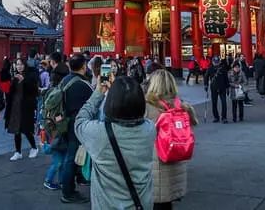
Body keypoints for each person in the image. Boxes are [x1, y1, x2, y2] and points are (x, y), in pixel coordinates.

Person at [75, 74, 155, 209]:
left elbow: (79, 122)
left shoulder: (98, 133)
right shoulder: (149, 128)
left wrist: (99, 92)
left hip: (107, 205)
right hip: (141, 204)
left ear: (111, 103)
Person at [145, 70, 197, 209]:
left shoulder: (148, 107)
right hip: (177, 159)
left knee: (156, 203)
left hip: (156, 165)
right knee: (167, 203)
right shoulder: (181, 105)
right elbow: (193, 123)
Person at [59, 54, 94, 204]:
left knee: (69, 156)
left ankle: (68, 184)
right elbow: (93, 104)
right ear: (84, 66)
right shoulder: (82, 84)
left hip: (65, 122)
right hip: (76, 125)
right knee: (71, 158)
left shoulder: (65, 80)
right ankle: (68, 191)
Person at [7, 57, 40, 161]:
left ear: (25, 65)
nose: (19, 66)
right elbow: (12, 92)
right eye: (17, 64)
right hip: (16, 106)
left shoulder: (30, 76)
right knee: (16, 130)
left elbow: (34, 90)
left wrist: (24, 80)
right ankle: (18, 152)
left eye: (21, 64)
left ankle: (34, 147)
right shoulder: (15, 77)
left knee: (26, 129)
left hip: (26, 106)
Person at [204, 56, 229, 123]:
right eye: (215, 62)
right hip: (214, 87)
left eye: (217, 62)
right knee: (214, 103)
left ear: (219, 61)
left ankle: (224, 117)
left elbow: (226, 78)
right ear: (212, 62)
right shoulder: (210, 68)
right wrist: (205, 85)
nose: (216, 63)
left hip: (222, 87)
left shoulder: (223, 68)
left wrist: (227, 87)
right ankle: (216, 117)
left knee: (224, 103)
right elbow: (206, 76)